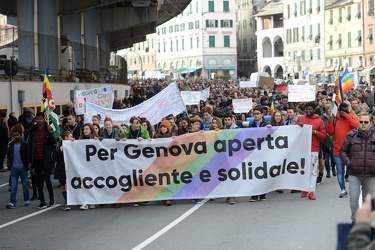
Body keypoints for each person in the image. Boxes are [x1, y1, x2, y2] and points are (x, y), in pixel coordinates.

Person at [340, 114, 375, 222]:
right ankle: (355, 219)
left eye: (365, 122)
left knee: (367, 199)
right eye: (361, 122)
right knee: (354, 198)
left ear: (371, 123)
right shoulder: (351, 135)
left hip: (370, 174)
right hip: (354, 173)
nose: (363, 124)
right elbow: (343, 151)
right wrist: (349, 163)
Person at [295, 102, 326, 200]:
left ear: (314, 110)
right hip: (302, 148)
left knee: (313, 171)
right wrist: (298, 127)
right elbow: (293, 132)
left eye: (310, 109)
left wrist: (315, 132)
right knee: (304, 170)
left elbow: (324, 136)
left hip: (313, 149)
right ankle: (305, 188)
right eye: (306, 109)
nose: (308, 111)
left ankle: (311, 191)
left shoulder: (319, 121)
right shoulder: (300, 119)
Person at [328, 103, 359, 198]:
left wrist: (348, 117)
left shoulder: (352, 118)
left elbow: (357, 126)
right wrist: (329, 122)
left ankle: (354, 190)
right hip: (338, 150)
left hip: (351, 150)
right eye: (343, 110)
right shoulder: (335, 120)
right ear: (339, 110)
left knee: (353, 171)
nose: (345, 111)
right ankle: (343, 189)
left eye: (347, 109)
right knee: (340, 171)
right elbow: (330, 132)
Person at [27, 112, 57, 209]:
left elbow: (53, 143)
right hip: (36, 159)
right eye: (38, 119)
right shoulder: (33, 131)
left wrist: (50, 133)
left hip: (46, 159)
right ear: (36, 120)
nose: (39, 120)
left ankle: (51, 197)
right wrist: (30, 161)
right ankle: (42, 201)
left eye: (41, 118)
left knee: (47, 179)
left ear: (44, 119)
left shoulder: (48, 130)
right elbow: (30, 146)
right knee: (39, 181)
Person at [249, 106, 272, 201]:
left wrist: (270, 129)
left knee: (263, 172)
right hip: (254, 152)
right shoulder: (250, 125)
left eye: (257, 114)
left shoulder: (267, 124)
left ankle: (263, 193)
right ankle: (254, 194)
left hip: (264, 152)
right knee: (254, 173)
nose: (255, 116)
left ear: (262, 114)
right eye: (254, 114)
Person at [6, 124, 30, 209]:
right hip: (14, 168)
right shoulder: (11, 144)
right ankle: (12, 202)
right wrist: (10, 166)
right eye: (14, 135)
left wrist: (26, 166)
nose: (15, 137)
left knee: (25, 185)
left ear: (21, 135)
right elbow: (9, 156)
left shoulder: (25, 144)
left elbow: (28, 156)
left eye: (17, 135)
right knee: (13, 186)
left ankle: (26, 199)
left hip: (23, 168)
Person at [52, 131, 74, 211]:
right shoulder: (59, 145)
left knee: (68, 185)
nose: (72, 138)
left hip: (70, 168)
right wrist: (60, 151)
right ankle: (66, 201)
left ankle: (69, 201)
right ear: (66, 138)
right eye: (70, 136)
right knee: (63, 185)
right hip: (61, 168)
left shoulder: (73, 144)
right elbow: (55, 158)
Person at [155, 120, 173, 206]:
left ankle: (169, 197)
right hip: (160, 160)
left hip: (169, 160)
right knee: (162, 179)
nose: (162, 128)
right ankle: (163, 196)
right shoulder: (157, 137)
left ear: (168, 128)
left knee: (169, 178)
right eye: (161, 127)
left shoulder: (172, 136)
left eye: (164, 127)